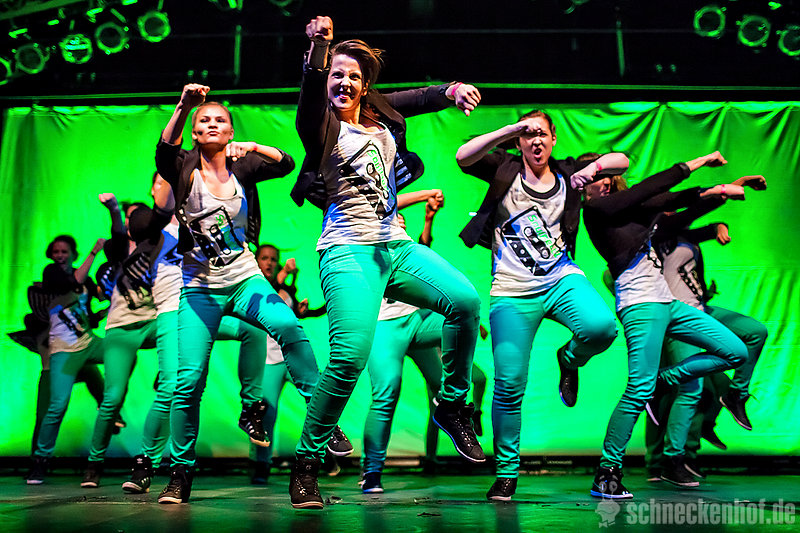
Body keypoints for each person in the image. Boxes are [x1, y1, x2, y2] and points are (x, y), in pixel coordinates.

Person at [289, 16, 484, 509]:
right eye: (336, 74)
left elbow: (415, 98)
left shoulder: (379, 117)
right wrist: (319, 48)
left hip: (394, 245)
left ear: (364, 86)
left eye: (352, 76)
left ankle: (452, 405)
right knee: (347, 359)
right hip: (347, 250)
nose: (343, 82)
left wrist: (450, 90)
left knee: (464, 301)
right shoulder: (320, 124)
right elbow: (310, 92)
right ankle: (307, 464)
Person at [154, 84, 318, 504]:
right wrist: (184, 105)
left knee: (289, 328)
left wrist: (256, 146)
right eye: (204, 120)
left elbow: (287, 163)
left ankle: (323, 419)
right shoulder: (182, 166)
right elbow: (163, 150)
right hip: (199, 289)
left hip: (245, 279)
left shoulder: (241, 166)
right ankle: (180, 473)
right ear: (194, 132)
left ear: (230, 131)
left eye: (220, 120)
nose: (212, 124)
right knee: (187, 381)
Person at [456, 111, 626, 501]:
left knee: (602, 328)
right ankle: (506, 472)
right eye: (527, 134)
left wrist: (592, 170)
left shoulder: (568, 172)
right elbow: (463, 156)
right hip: (512, 290)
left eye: (542, 134)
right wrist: (508, 130)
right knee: (509, 384)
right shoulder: (504, 168)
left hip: (560, 278)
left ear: (553, 140)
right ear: (518, 141)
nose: (535, 140)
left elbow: (622, 161)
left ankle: (569, 358)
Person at [580, 151, 750, 499]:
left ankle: (663, 381)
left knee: (735, 351)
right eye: (597, 178)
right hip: (640, 306)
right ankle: (607, 472)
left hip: (668, 303)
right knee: (637, 390)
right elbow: (652, 189)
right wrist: (699, 162)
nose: (603, 183)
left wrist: (721, 191)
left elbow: (675, 207)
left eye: (607, 177)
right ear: (584, 185)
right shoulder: (596, 211)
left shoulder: (635, 213)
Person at [643, 175, 768, 485]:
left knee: (755, 332)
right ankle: (670, 460)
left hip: (702, 310)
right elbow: (692, 212)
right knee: (691, 388)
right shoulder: (656, 234)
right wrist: (730, 187)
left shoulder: (685, 235)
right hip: (675, 319)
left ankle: (736, 396)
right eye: (668, 204)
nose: (673, 208)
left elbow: (704, 228)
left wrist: (718, 227)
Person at [249, 244, 350, 486]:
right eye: (264, 258)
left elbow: (289, 319)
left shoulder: (286, 291)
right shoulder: (254, 288)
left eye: (273, 259)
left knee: (318, 404)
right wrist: (285, 274)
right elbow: (267, 298)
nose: (269, 263)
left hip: (293, 357)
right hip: (270, 361)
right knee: (266, 415)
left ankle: (325, 456)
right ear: (256, 261)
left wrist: (303, 311)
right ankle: (261, 466)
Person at [26, 234, 107, 484]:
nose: (59, 256)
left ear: (73, 253)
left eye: (64, 252)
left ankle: (112, 408)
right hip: (63, 350)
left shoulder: (86, 279)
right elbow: (72, 282)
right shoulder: (51, 273)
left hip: (88, 343)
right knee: (56, 406)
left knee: (122, 350)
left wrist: (108, 305)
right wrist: (94, 252)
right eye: (56, 252)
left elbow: (95, 303)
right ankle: (40, 460)